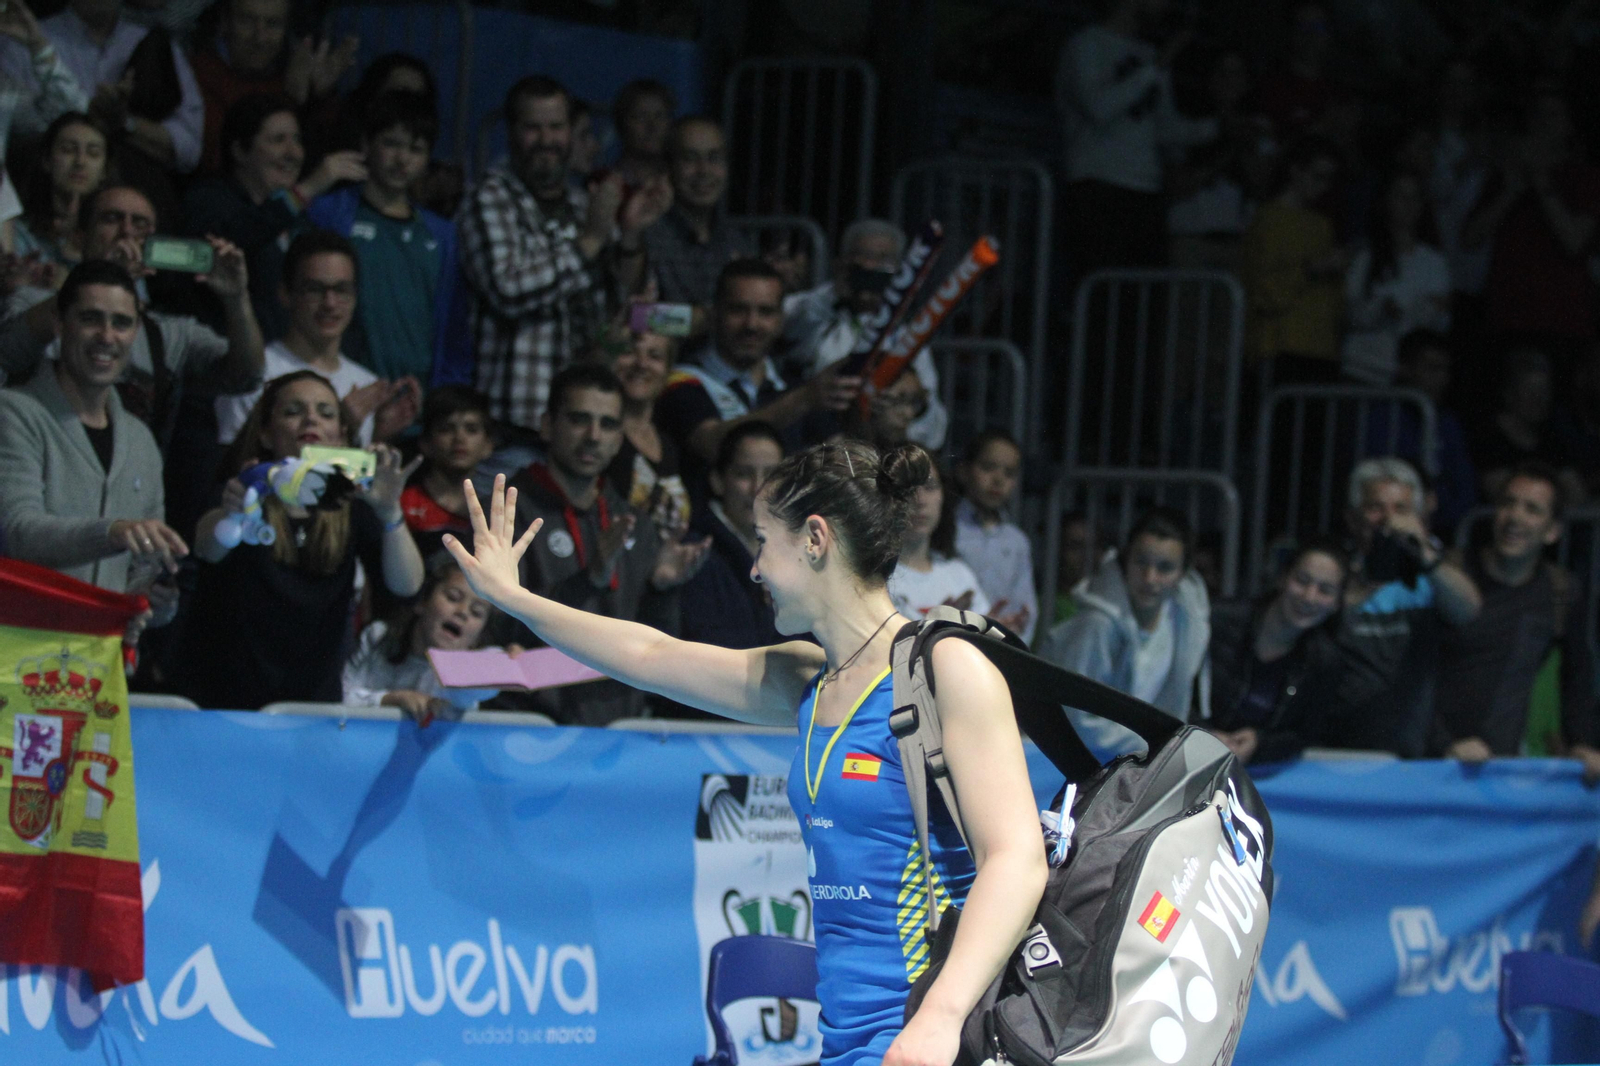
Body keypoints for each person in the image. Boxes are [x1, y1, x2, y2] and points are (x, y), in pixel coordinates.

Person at [443, 439, 1047, 1064]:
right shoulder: (807, 681)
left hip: (939, 1039)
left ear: (815, 539)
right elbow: (648, 656)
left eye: (763, 541)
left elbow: (1017, 857)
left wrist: (939, 1020)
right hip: (848, 1040)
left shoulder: (948, 670)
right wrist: (514, 600)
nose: (755, 568)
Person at [181, 369, 424, 709]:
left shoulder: (353, 506)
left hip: (314, 703)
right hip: (226, 700)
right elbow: (207, 547)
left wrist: (390, 514)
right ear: (266, 434)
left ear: (340, 435)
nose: (311, 418)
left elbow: (407, 585)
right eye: (293, 411)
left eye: (326, 413)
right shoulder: (241, 491)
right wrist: (235, 515)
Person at [457, 74, 668, 433]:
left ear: (572, 131)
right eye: (532, 128)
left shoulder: (584, 204)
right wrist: (589, 242)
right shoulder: (489, 199)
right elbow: (509, 291)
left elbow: (629, 308)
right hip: (516, 424)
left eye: (556, 127)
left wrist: (630, 235)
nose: (546, 140)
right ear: (510, 132)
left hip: (587, 426)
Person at [503, 363, 709, 724]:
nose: (594, 436)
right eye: (580, 420)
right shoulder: (509, 514)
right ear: (548, 425)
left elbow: (657, 649)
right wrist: (590, 579)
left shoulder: (635, 524)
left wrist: (662, 589)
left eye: (609, 424)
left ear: (620, 438)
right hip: (532, 729)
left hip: (621, 729)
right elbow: (500, 632)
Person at [0, 184, 266, 457]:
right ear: (80, 237)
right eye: (112, 218)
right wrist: (99, 279)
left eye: (140, 223)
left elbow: (247, 377)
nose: (127, 231)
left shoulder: (170, 333)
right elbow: (7, 351)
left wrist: (237, 299)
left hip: (130, 483)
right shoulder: (35, 303)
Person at [0, 259, 186, 597]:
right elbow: (18, 532)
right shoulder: (13, 412)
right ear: (59, 322)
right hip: (19, 644)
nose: (106, 336)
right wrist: (112, 532)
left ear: (136, 332)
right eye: (90, 319)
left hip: (99, 649)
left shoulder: (141, 441)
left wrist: (149, 601)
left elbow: (140, 571)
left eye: (121, 323)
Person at [1432, 465, 1600, 767]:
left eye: (1532, 510)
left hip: (1498, 768)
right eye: (1508, 503)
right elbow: (1413, 674)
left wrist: (1583, 744)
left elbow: (1577, 677)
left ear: (1552, 531)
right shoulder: (1453, 574)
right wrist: (1444, 743)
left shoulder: (1562, 591)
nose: (1515, 517)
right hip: (1430, 758)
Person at [654, 257, 858, 498]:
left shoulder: (794, 386)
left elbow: (844, 466)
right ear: (715, 312)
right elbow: (712, 442)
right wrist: (802, 400)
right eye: (738, 310)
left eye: (765, 312)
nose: (752, 324)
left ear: (781, 319)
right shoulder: (682, 383)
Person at [307, 89, 471, 386]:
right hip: (339, 392)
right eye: (391, 143)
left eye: (416, 149)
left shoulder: (442, 236)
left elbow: (454, 328)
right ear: (366, 144)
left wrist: (446, 391)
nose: (402, 159)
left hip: (416, 404)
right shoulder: (330, 214)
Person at [1324, 457, 1481, 756]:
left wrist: (1423, 551)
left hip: (1411, 753)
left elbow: (1468, 610)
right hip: (1335, 749)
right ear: (1352, 517)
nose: (1388, 519)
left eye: (1401, 510)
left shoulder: (1433, 576)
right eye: (1375, 508)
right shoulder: (1331, 568)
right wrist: (1367, 581)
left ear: (1420, 517)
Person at [183, 92, 367, 340]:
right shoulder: (208, 200)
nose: (294, 153)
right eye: (278, 140)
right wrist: (306, 190)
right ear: (239, 150)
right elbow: (233, 240)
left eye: (297, 140)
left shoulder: (301, 223)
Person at [1054, 0, 1218, 274]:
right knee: (1099, 290)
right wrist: (1157, 66)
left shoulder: (1149, 53)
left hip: (1147, 191)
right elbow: (1098, 108)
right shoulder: (1085, 45)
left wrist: (1218, 127)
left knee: (1141, 297)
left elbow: (1164, 129)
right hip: (1099, 186)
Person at [216, 229, 420, 446]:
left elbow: (357, 479)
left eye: (341, 290)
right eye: (315, 289)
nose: (330, 303)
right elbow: (234, 465)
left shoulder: (365, 383)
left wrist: (379, 436)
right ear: (286, 293)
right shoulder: (254, 372)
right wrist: (344, 422)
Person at [1038, 507, 1211, 756]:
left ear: (1183, 574)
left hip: (1138, 759)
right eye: (1141, 562)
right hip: (1061, 756)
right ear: (1126, 559)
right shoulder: (1097, 624)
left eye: (1165, 568)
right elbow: (1078, 722)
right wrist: (1160, 744)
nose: (1150, 578)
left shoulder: (1184, 620)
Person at [781, 218, 948, 450]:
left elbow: (933, 429)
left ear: (900, 273)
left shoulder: (908, 335)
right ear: (841, 264)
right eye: (860, 259)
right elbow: (787, 323)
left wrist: (906, 407)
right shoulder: (813, 310)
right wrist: (836, 292)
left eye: (882, 263)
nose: (870, 268)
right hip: (813, 444)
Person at [1, 0, 204, 175]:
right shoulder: (25, 38)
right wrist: (98, 119)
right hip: (46, 184)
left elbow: (188, 149)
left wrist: (125, 123)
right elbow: (15, 131)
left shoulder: (152, 43)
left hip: (133, 189)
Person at [1202, 539, 1347, 765]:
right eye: (1302, 580)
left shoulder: (1326, 661)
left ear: (1337, 603)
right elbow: (1173, 696)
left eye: (1325, 590)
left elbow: (1303, 735)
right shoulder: (1216, 622)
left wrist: (1260, 743)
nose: (1309, 596)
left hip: (1256, 777)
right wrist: (1202, 734)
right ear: (1282, 578)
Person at [190, 0, 356, 174]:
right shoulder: (199, 73)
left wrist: (318, 97)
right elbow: (219, 160)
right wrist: (289, 101)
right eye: (247, 21)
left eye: (273, 24)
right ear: (225, 22)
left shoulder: (293, 75)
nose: (260, 38)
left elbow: (329, 163)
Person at [1241, 136, 1348, 382]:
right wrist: (1312, 270)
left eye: (1329, 179)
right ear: (1295, 171)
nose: (1323, 186)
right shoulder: (1267, 221)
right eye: (1318, 176)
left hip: (1321, 348)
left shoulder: (1323, 225)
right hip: (1281, 346)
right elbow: (1263, 292)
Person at [343, 555, 496, 723]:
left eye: (477, 612)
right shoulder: (378, 637)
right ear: (422, 602)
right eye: (453, 597)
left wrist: (513, 664)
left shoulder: (467, 674)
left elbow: (487, 680)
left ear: (476, 638)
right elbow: (338, 697)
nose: (463, 612)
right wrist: (388, 699)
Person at [678, 420, 783, 650]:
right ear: (717, 481)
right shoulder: (695, 555)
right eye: (744, 474)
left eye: (771, 475)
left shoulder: (799, 555)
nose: (758, 488)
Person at [1340, 170, 1451, 384]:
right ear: (1386, 202)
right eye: (1401, 196)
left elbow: (1440, 323)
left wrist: (1427, 310)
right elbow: (1348, 313)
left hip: (1409, 377)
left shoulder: (1435, 262)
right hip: (1362, 368)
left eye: (1415, 197)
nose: (1408, 204)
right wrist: (1381, 309)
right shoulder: (1364, 255)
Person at [640, 115, 753, 315]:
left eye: (714, 158)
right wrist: (706, 320)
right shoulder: (646, 236)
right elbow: (639, 318)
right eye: (690, 158)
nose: (704, 170)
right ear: (668, 167)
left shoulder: (737, 240)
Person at [600, 316, 689, 533]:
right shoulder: (598, 436)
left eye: (655, 356)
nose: (641, 364)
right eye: (629, 352)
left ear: (669, 370)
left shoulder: (671, 440)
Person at [888, 450, 990, 621]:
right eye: (908, 488)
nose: (920, 500)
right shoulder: (873, 579)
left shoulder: (960, 574)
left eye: (930, 487)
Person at [954, 429, 1036, 642]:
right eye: (988, 467)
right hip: (954, 638)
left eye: (1009, 473)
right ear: (964, 471)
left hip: (1000, 644)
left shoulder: (1016, 541)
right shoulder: (948, 528)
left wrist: (1015, 638)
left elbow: (1026, 606)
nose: (998, 479)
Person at [401, 384, 495, 559]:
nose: (460, 438)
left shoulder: (497, 511)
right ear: (425, 443)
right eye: (446, 429)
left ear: (488, 445)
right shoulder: (404, 504)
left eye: (471, 429)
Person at [13, 110, 106, 272]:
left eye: (93, 153)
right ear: (47, 160)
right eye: (68, 150)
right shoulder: (18, 234)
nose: (80, 161)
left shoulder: (112, 239)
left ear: (104, 170)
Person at [611, 77, 673, 186]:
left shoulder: (680, 183)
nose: (653, 126)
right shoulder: (605, 183)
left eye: (660, 116)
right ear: (622, 123)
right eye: (641, 117)